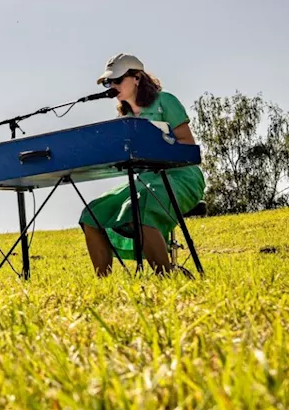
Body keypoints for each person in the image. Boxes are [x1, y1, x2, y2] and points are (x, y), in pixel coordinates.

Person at [79, 54, 205, 276]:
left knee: (141, 208)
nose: (112, 86)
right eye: (109, 82)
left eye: (117, 80)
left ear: (137, 78)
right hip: (144, 182)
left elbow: (187, 144)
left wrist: (154, 148)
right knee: (91, 215)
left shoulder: (165, 101)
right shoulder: (123, 119)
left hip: (181, 177)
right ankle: (103, 283)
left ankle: (166, 278)